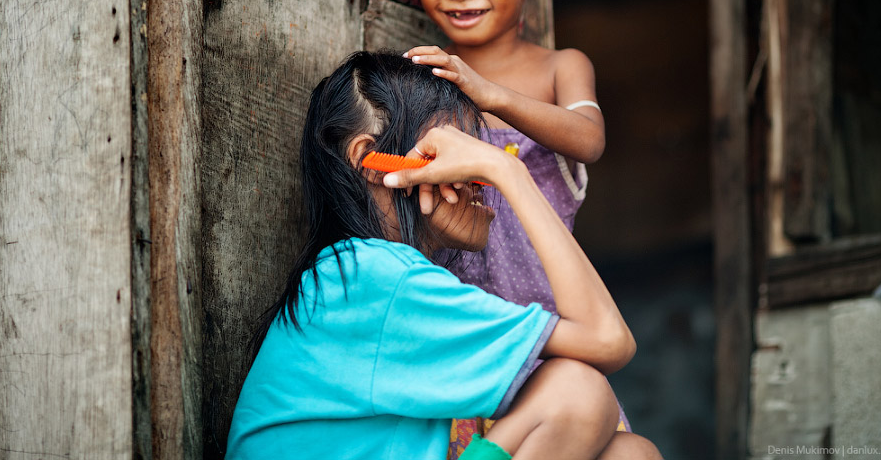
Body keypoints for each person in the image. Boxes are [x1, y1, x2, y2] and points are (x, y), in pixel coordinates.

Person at [226, 51, 661, 460]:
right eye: (458, 157)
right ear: (370, 161)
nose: (476, 178)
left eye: (474, 162)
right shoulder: (370, 277)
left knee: (631, 453)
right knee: (580, 391)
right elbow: (608, 341)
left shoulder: (369, 274)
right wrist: (508, 169)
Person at [405, 0, 627, 447]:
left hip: (555, 336)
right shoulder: (421, 79)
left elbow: (589, 138)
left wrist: (488, 94)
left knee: (637, 452)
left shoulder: (561, 67)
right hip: (472, 347)